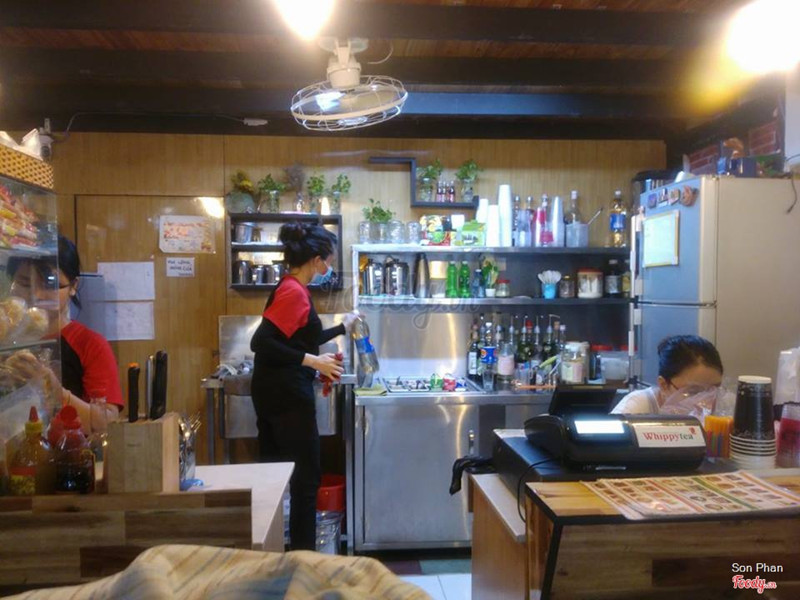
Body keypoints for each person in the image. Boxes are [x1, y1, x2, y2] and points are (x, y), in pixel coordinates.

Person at [249, 221, 357, 551]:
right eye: (329, 260)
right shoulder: (294, 292)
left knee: (275, 476)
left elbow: (302, 338)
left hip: (274, 392)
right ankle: (303, 560)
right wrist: (313, 362)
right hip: (286, 397)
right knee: (306, 481)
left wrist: (341, 328)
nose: (330, 267)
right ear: (316, 259)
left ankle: (273, 555)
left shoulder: (291, 287)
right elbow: (260, 342)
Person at [7, 235, 123, 429]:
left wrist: (53, 389)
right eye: (25, 283)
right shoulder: (5, 340)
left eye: (49, 284)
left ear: (73, 286)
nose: (35, 295)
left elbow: (107, 423)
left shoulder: (90, 344)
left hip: (69, 447)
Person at [610, 335, 723, 414]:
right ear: (664, 385)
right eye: (694, 392)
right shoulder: (636, 407)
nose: (706, 402)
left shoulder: (722, 407)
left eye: (714, 390)